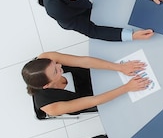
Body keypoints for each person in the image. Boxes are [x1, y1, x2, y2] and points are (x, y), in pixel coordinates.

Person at [22, 51, 150, 118]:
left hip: (91, 74)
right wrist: (127, 88)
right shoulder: (50, 107)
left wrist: (120, 67)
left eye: (54, 63)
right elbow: (94, 100)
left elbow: (83, 61)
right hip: (89, 96)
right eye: (55, 71)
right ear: (47, 85)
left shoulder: (46, 57)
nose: (59, 65)